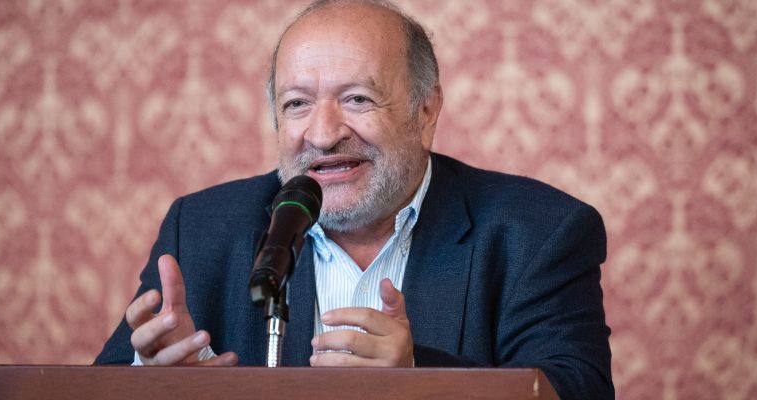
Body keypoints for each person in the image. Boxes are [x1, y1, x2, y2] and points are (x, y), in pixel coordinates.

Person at [95, 0, 614, 398]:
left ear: (426, 112)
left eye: (357, 99)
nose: (322, 135)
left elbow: (575, 391)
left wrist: (417, 379)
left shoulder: (539, 231)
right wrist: (156, 385)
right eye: (296, 104)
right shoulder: (203, 228)